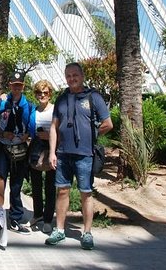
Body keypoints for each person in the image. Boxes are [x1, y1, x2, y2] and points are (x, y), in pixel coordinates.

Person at [46, 63, 113, 250]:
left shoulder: (93, 97)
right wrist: (52, 152)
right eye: (68, 75)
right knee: (62, 191)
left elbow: (108, 123)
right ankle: (59, 230)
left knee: (86, 192)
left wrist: (92, 134)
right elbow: (53, 127)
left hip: (85, 155)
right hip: (63, 154)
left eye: (75, 75)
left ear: (82, 76)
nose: (71, 78)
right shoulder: (61, 99)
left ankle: (87, 233)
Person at [0, 70, 33, 234]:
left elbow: (33, 125)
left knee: (16, 185)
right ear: (9, 86)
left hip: (20, 149)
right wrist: (2, 133)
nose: (16, 88)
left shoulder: (28, 105)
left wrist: (27, 135)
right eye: (13, 85)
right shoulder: (0, 103)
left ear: (23, 86)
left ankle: (15, 217)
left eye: (19, 86)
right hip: (3, 147)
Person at [27, 79, 56, 233]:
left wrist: (49, 136)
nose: (42, 95)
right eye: (39, 92)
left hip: (52, 149)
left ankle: (48, 219)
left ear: (50, 93)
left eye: (45, 92)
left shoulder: (55, 110)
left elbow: (61, 130)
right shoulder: (34, 110)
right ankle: (37, 214)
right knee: (36, 185)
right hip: (36, 149)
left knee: (50, 186)